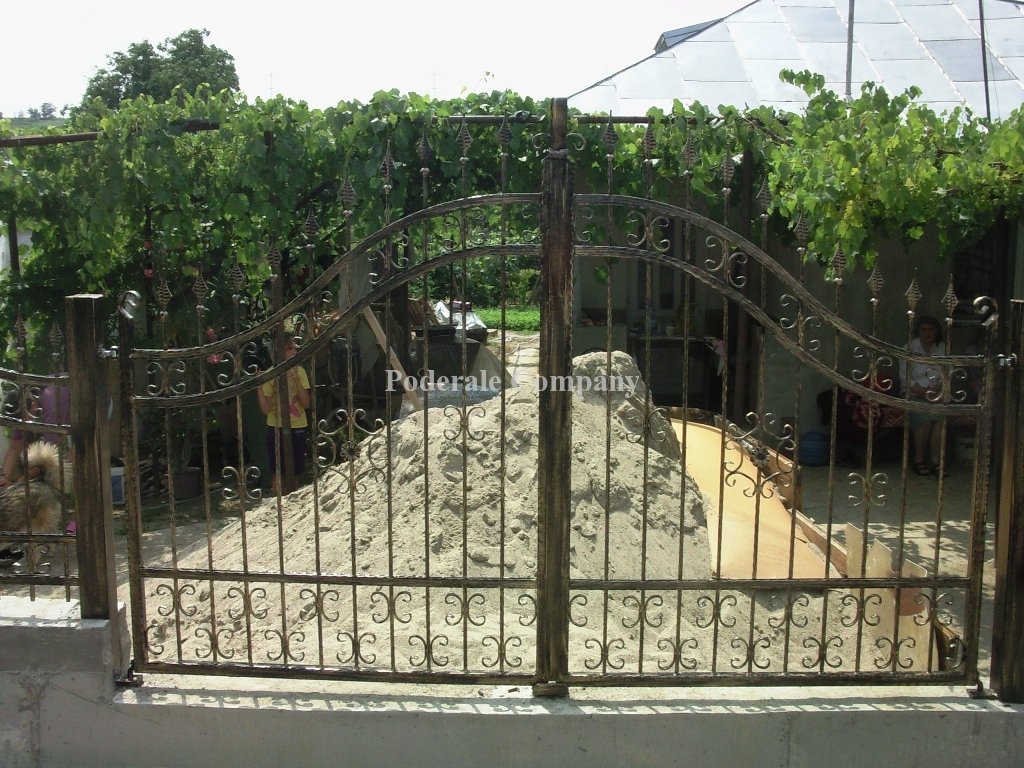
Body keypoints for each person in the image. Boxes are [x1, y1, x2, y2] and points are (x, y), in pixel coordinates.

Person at [256, 336, 311, 496]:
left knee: (295, 471)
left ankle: (293, 500)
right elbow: (266, 409)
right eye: (289, 348)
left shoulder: (300, 372)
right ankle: (278, 501)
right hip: (276, 427)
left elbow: (306, 403)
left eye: (295, 348)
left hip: (297, 426)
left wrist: (296, 380)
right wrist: (259, 388)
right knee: (278, 471)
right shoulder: (271, 374)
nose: (294, 352)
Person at [900, 315, 946, 476]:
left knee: (939, 421)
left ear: (936, 331)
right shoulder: (909, 348)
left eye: (930, 330)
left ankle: (936, 462)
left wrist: (936, 389)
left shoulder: (942, 348)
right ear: (918, 331)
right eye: (924, 330)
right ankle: (918, 460)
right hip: (914, 393)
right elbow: (905, 376)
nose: (927, 333)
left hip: (937, 393)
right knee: (924, 420)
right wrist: (922, 392)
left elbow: (948, 373)